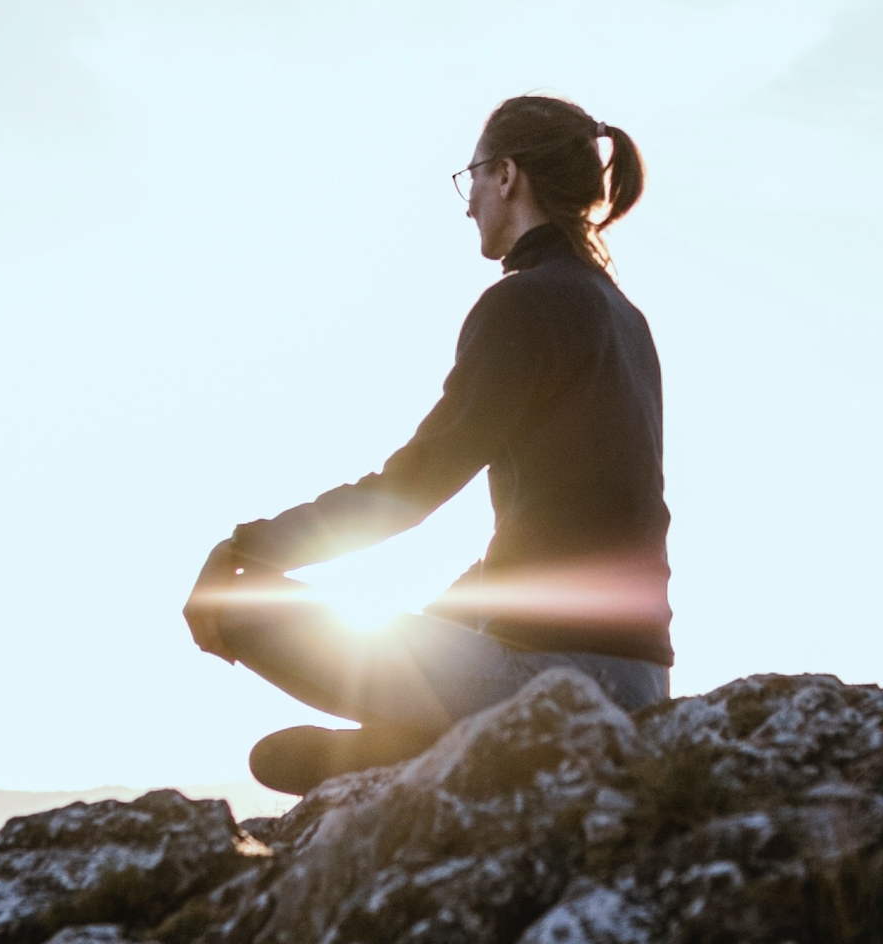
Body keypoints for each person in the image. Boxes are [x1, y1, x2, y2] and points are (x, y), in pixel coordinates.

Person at [183, 94, 672, 796]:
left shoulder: (525, 302)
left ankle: (421, 749)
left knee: (237, 603)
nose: (467, 201)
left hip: (559, 685)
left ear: (506, 175)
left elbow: (410, 489)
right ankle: (420, 744)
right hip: (641, 681)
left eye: (472, 177)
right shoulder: (625, 317)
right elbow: (583, 524)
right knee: (453, 605)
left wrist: (245, 549)